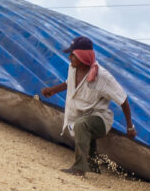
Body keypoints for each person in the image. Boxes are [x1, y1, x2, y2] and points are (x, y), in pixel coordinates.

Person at [41, 35, 137, 177]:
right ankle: (93, 165)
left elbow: (123, 100)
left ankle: (79, 168)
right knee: (82, 125)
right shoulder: (73, 68)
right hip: (83, 116)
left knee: (81, 125)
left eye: (72, 55)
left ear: (82, 56)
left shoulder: (102, 77)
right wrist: (52, 90)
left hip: (100, 119)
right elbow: (70, 83)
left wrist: (130, 127)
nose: (69, 58)